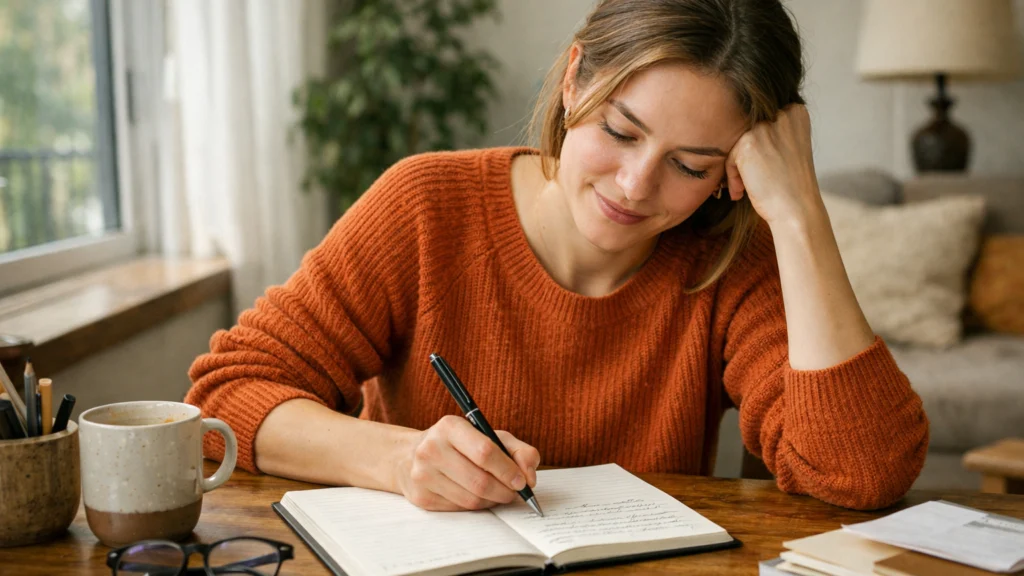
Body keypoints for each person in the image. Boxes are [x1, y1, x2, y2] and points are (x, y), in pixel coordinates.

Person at [185, 0, 928, 512]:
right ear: (575, 80)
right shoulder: (423, 204)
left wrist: (800, 214)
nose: (636, 187)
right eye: (622, 130)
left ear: (735, 172)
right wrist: (396, 460)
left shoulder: (730, 259)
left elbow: (861, 471)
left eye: (693, 165)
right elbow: (223, 399)